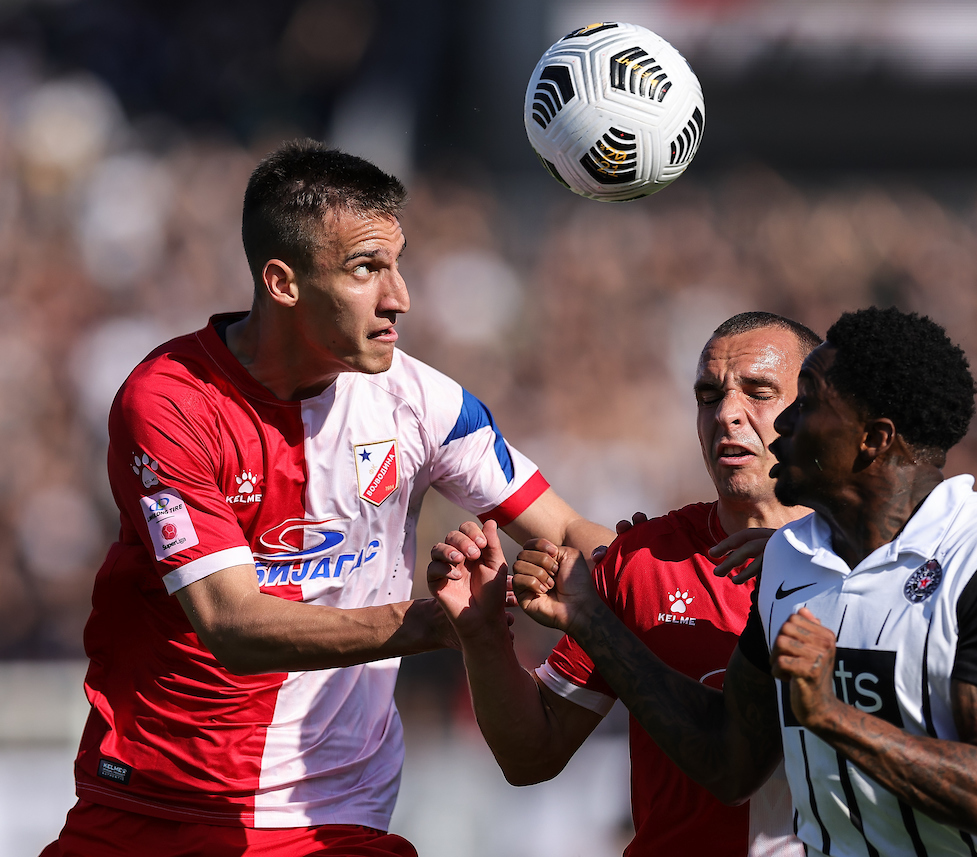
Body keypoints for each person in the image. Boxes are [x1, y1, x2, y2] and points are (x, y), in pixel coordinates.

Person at [41, 140, 612, 857]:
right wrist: (435, 623)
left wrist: (706, 575)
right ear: (283, 282)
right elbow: (232, 623)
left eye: (397, 265)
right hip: (150, 804)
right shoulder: (171, 401)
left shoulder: (422, 402)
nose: (399, 296)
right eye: (366, 268)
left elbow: (571, 532)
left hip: (327, 817)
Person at [511, 306, 977, 857]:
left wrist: (831, 716)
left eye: (807, 405)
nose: (783, 425)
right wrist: (592, 622)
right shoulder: (790, 561)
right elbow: (729, 763)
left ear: (873, 439)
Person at [429, 311, 820, 856]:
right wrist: (482, 633)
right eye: (709, 396)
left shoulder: (879, 564)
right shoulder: (644, 559)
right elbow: (530, 756)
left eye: (759, 393)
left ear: (818, 410)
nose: (727, 414)